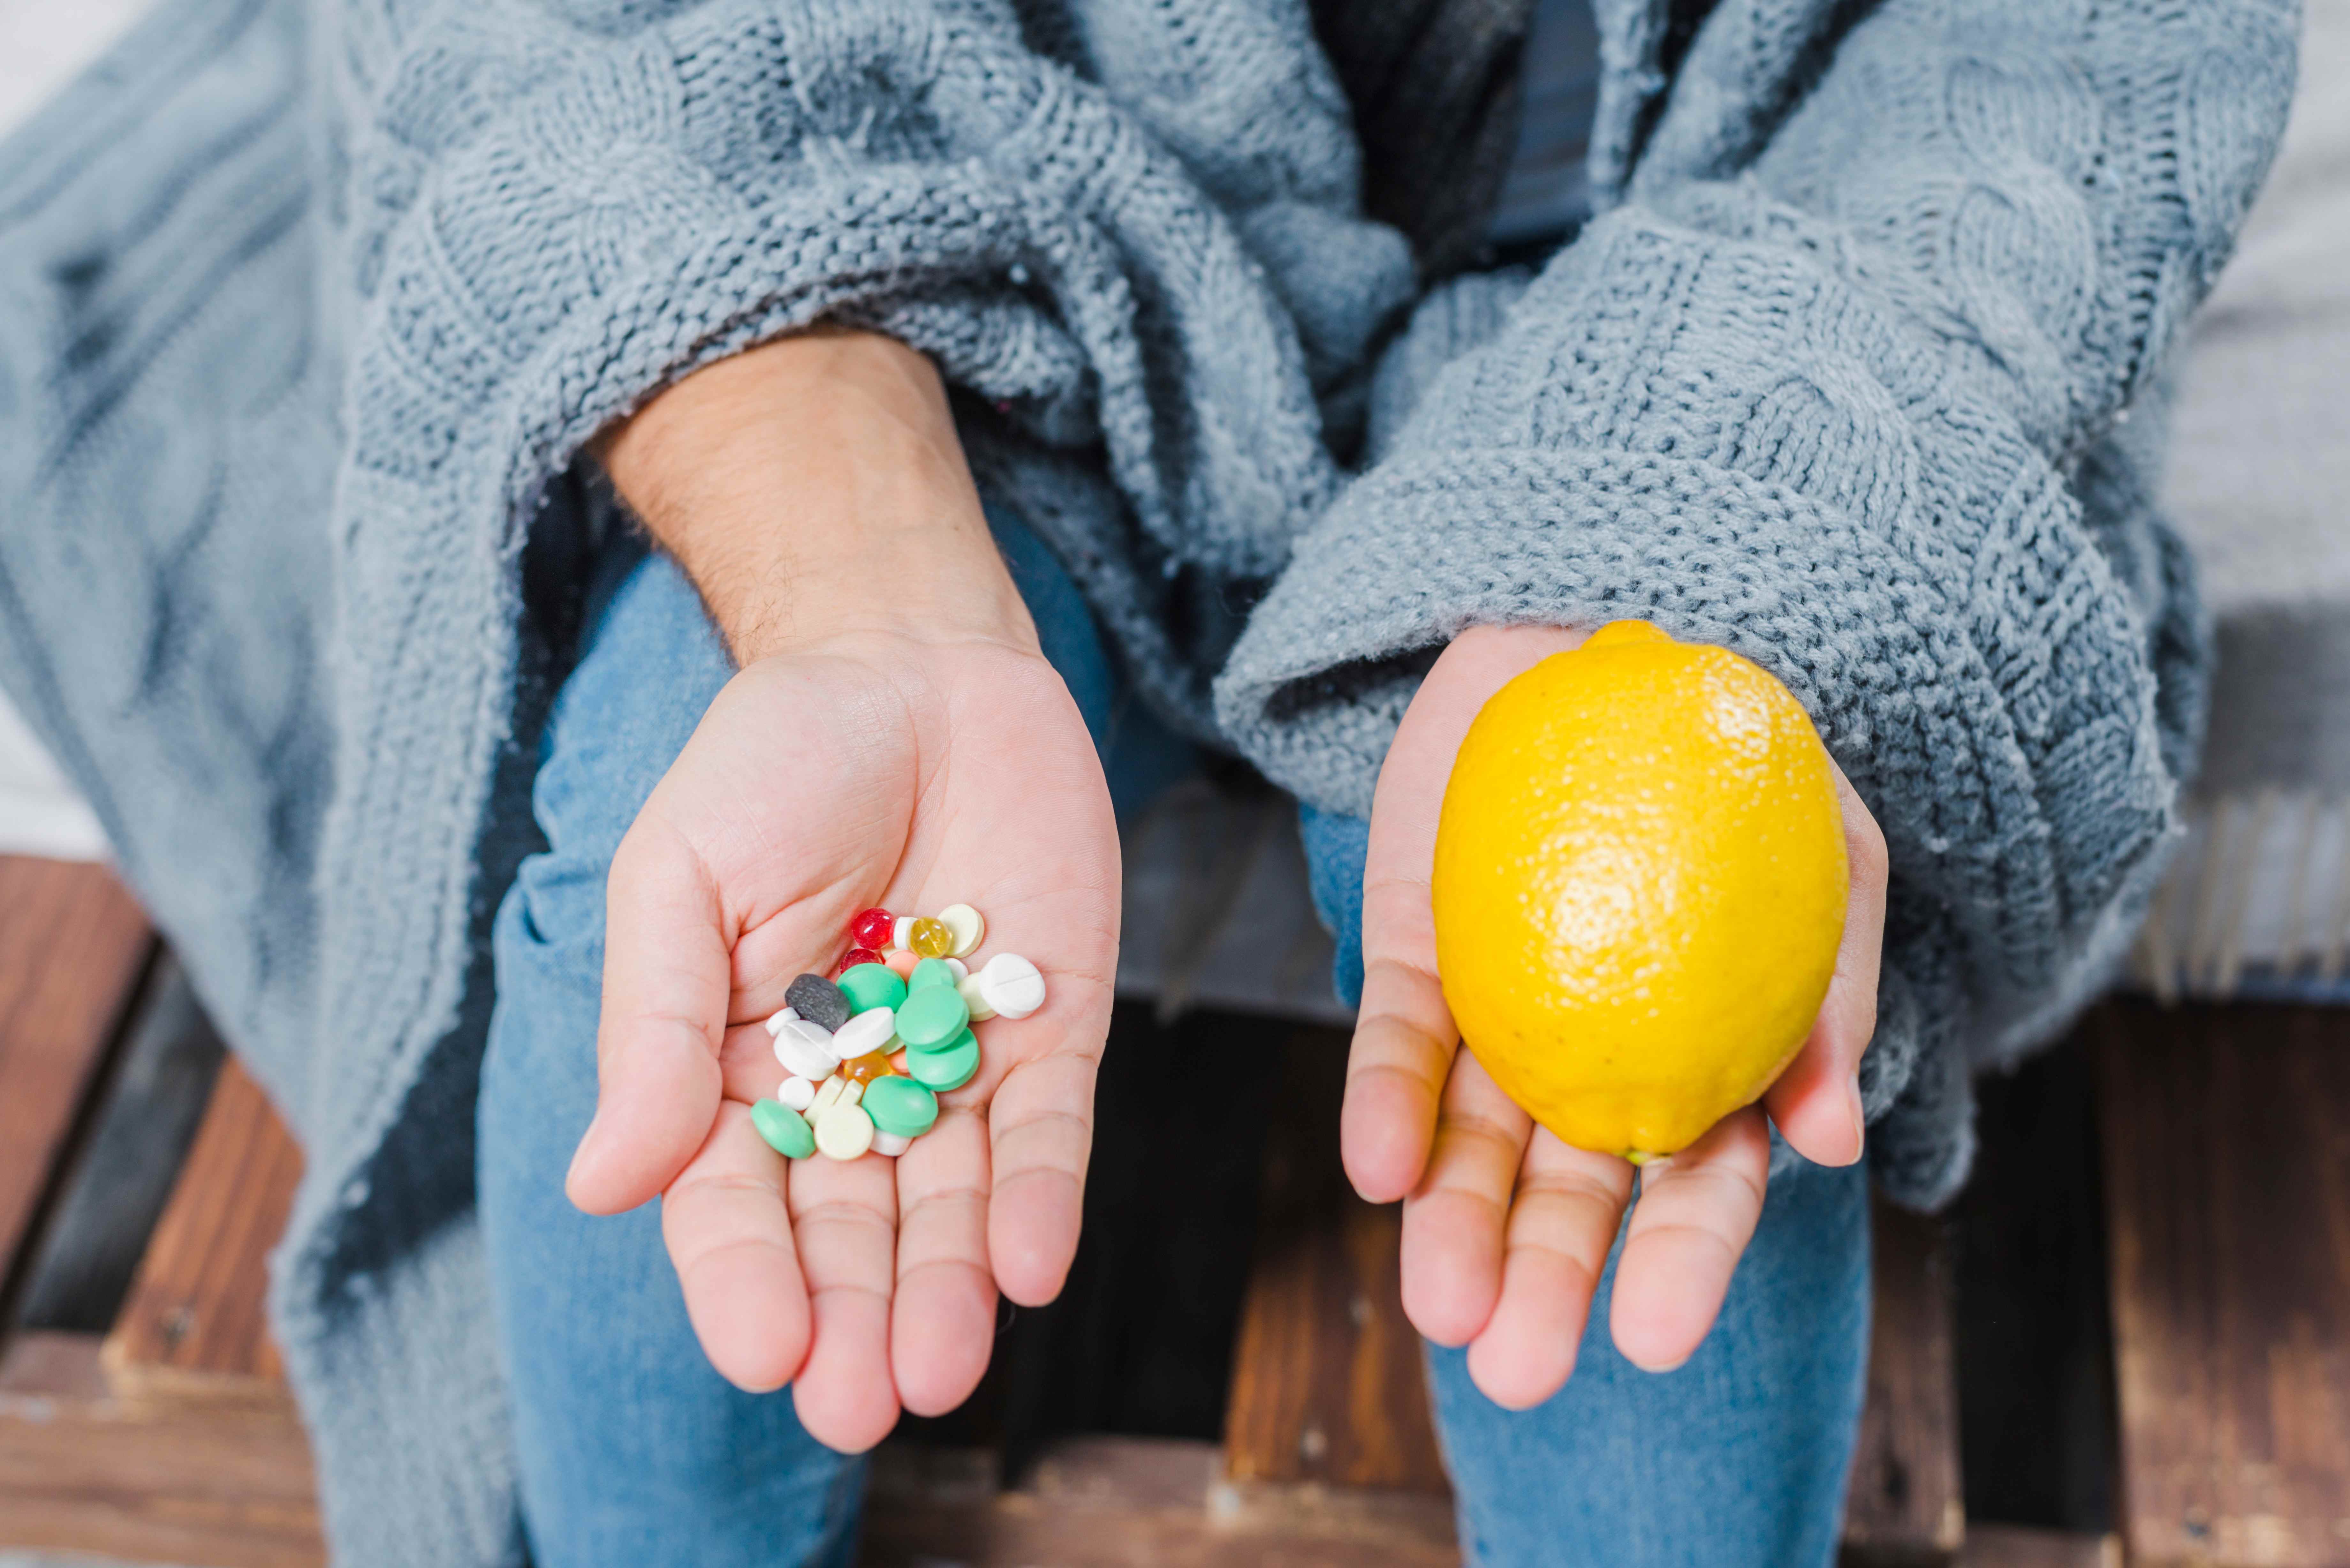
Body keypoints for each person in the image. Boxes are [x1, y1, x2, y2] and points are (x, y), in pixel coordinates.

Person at [0, 0, 2294, 1563]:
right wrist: (820, 484)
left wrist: (1714, 497)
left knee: (1658, 1110)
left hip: (1693, 333)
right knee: (667, 874)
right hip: (941, 203)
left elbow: (2055, 69)